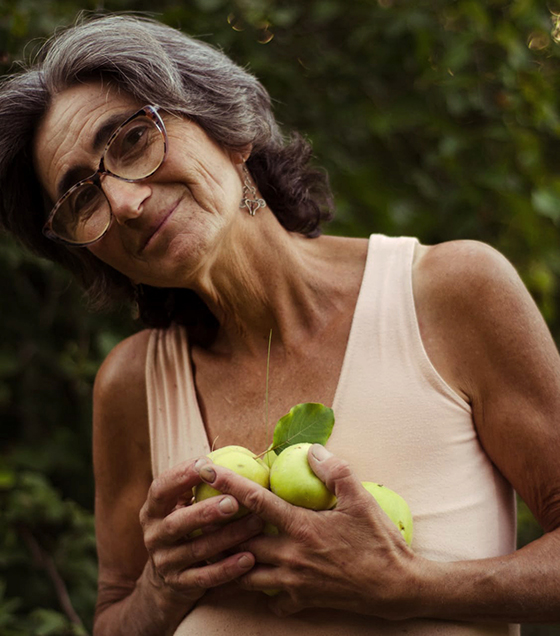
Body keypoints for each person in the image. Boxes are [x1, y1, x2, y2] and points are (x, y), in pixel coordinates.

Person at [1, 13, 559, 636]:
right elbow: (113, 618)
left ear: (227, 129)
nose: (124, 203)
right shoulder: (132, 387)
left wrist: (405, 587)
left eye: (133, 139)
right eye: (82, 198)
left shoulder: (449, 293)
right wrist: (160, 590)